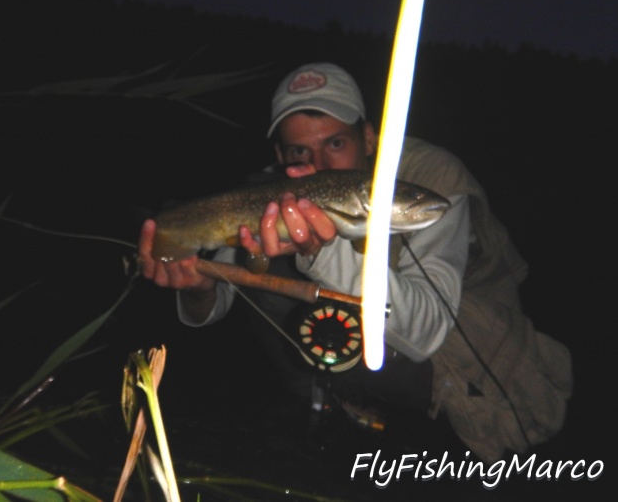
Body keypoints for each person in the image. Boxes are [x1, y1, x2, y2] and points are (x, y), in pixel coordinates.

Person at [138, 62, 573, 463]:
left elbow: (427, 332)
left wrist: (325, 252)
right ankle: (319, 407)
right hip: (340, 366)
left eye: (336, 143)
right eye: (300, 153)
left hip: (455, 370)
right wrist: (198, 288)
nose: (320, 165)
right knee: (269, 271)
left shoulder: (433, 182)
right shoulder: (272, 195)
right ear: (280, 155)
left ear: (369, 137)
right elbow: (213, 306)